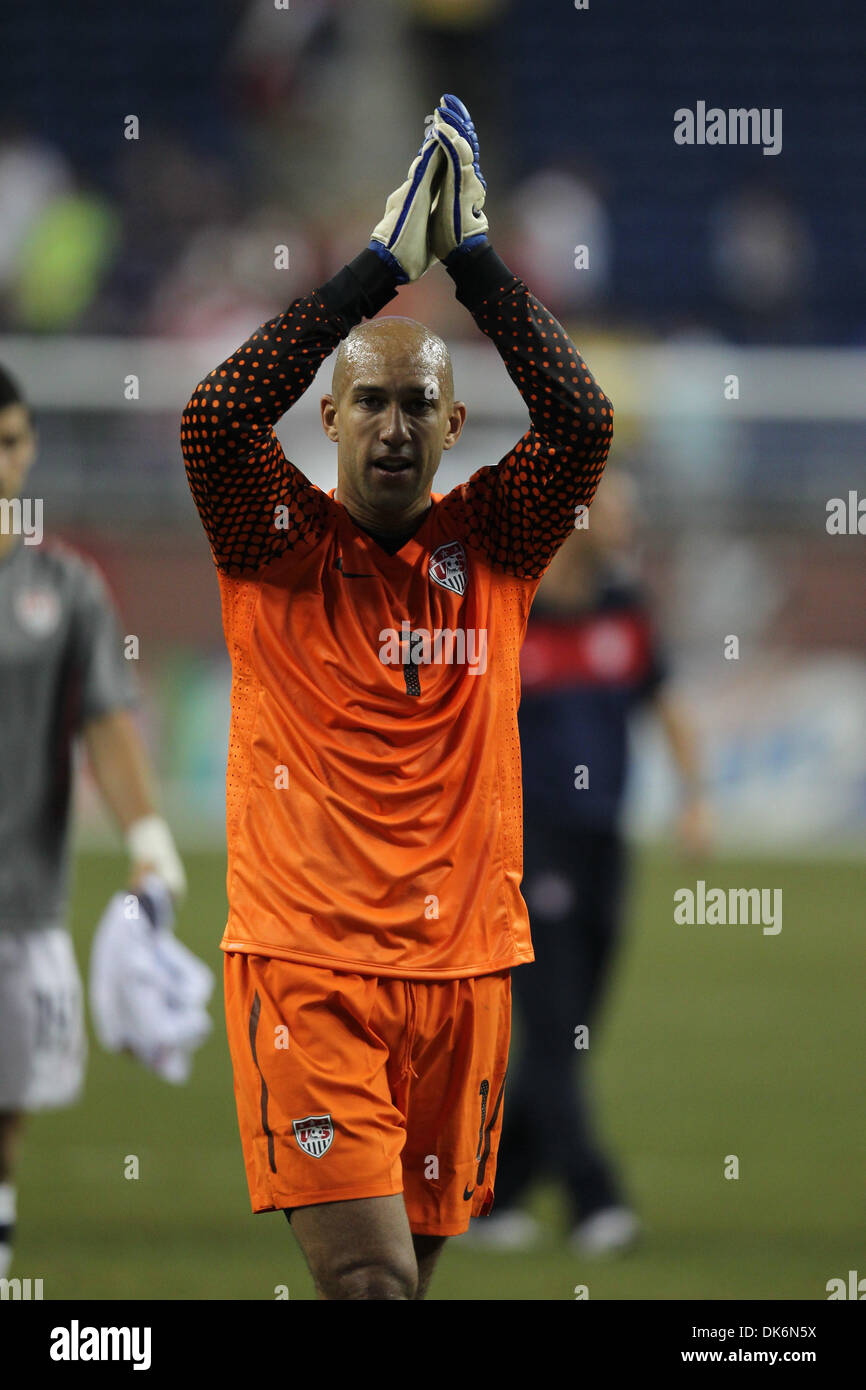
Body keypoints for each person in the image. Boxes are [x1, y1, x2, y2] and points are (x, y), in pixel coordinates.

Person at [181, 94, 613, 1301]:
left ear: (453, 427)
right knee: (367, 1285)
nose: (389, 423)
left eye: (416, 403)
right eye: (366, 400)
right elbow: (213, 416)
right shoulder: (276, 544)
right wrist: (378, 267)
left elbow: (580, 421)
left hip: (465, 972)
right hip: (305, 967)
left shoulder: (498, 544)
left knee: (400, 1294)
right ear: (325, 417)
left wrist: (470, 255)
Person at [471, 471, 711, 1253]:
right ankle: (594, 1201)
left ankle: (492, 1199)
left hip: (604, 843)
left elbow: (668, 705)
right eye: (616, 509)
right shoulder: (512, 609)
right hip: (528, 845)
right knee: (553, 1026)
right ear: (574, 519)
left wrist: (693, 799)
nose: (628, 522)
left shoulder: (625, 609)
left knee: (572, 1030)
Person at [0, 362, 186, 1280]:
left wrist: (150, 846)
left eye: (7, 442)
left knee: (6, 1126)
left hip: (23, 908)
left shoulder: (65, 591)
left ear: (28, 448)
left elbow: (107, 727)